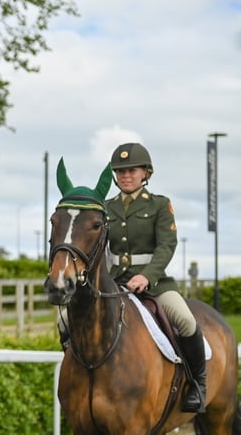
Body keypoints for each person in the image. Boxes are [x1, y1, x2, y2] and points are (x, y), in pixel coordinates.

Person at [106, 142, 205, 413]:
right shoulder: (106, 208)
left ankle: (198, 384)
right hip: (114, 282)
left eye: (132, 170)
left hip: (155, 282)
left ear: (145, 173)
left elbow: (166, 246)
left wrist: (146, 277)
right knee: (69, 318)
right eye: (120, 171)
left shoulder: (160, 205)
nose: (125, 175)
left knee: (185, 321)